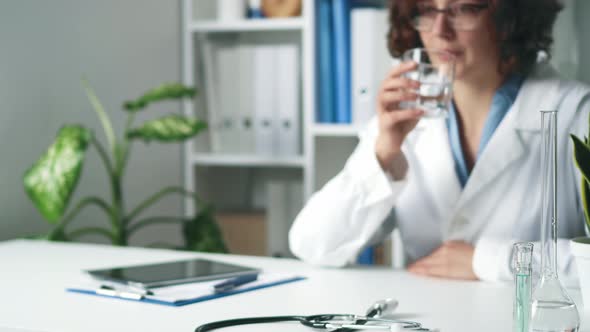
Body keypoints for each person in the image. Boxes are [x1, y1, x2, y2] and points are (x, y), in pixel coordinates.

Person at [289, 0, 590, 283]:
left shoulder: (576, 111)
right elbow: (313, 244)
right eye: (428, 10)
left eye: (464, 9)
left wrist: (488, 260)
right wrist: (383, 155)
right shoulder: (405, 115)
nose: (439, 30)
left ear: (510, 17)